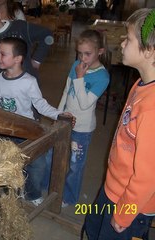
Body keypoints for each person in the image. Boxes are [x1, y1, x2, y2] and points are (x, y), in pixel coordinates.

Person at [84, 8, 155, 239]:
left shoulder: (152, 108)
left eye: (129, 39)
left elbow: (148, 176)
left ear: (149, 51)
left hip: (130, 205)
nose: (122, 43)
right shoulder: (140, 84)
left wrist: (124, 214)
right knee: (93, 228)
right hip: (112, 187)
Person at [0, 36, 75, 205]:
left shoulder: (28, 82)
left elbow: (41, 105)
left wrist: (59, 114)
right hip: (6, 131)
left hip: (27, 130)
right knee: (8, 164)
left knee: (37, 164)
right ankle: (11, 193)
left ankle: (32, 193)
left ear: (18, 59)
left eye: (2, 54)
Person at [54, 29, 109, 207]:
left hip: (82, 128)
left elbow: (85, 103)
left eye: (88, 54)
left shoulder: (102, 76)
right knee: (56, 155)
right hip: (66, 121)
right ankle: (51, 186)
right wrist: (58, 113)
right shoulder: (76, 65)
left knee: (75, 165)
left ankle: (69, 197)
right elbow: (66, 90)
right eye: (79, 53)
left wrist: (80, 77)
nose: (82, 58)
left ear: (100, 51)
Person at [0, 0, 53, 99]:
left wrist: (37, 59)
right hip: (4, 92)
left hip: (28, 89)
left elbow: (47, 34)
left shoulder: (19, 27)